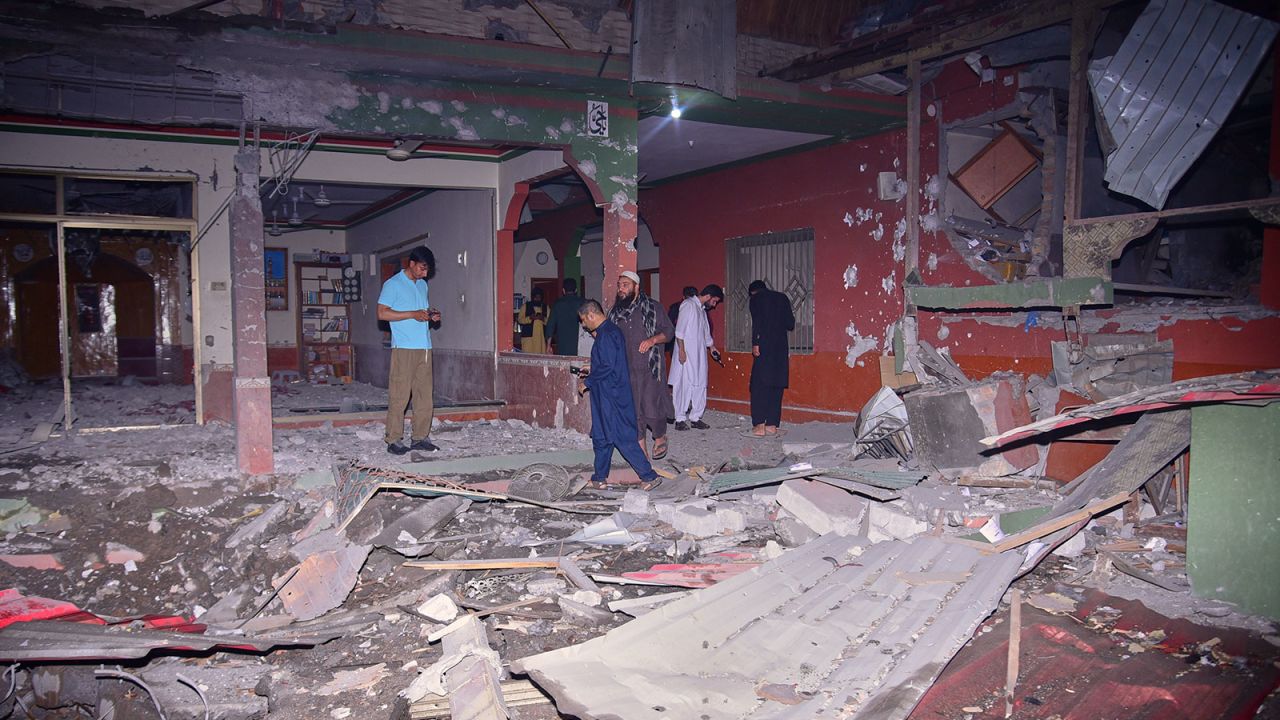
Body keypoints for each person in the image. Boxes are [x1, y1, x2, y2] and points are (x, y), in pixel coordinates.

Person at [576, 299, 662, 491]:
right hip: (606, 394)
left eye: (583, 320)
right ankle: (599, 478)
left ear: (591, 315)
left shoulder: (606, 334)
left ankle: (649, 476)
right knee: (602, 437)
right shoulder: (610, 332)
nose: (583, 325)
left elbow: (607, 366)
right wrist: (592, 367)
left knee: (621, 437)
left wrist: (586, 383)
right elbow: (611, 362)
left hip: (612, 396)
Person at [377, 246, 442, 455]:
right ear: (411, 264)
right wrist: (412, 314)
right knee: (400, 395)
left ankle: (420, 437)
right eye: (422, 269)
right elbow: (383, 314)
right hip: (404, 348)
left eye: (427, 270)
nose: (424, 274)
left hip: (424, 347)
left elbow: (420, 312)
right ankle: (394, 439)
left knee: (425, 396)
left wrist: (430, 316)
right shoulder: (393, 284)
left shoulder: (422, 285)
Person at [609, 271, 675, 460]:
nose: (621, 289)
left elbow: (669, 332)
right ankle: (641, 452)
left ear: (636, 287)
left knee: (651, 407)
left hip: (649, 368)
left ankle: (660, 436)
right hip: (626, 370)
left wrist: (653, 340)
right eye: (619, 285)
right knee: (633, 411)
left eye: (625, 285)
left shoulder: (653, 307)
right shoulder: (615, 313)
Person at [669, 284, 723, 431]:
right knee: (684, 385)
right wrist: (681, 350)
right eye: (714, 301)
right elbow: (679, 331)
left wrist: (711, 347)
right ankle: (680, 419)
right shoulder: (688, 305)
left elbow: (706, 334)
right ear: (708, 296)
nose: (714, 305)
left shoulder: (702, 310)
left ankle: (695, 417)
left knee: (700, 384)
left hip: (699, 355)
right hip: (686, 354)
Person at [746, 279, 796, 437]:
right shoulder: (782, 297)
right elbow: (790, 323)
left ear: (753, 292)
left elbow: (757, 323)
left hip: (764, 347)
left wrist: (755, 343)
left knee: (759, 385)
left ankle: (759, 425)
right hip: (780, 348)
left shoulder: (756, 299)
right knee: (776, 384)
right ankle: (772, 425)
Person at [546, 278, 582, 355]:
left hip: (563, 344)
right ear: (576, 290)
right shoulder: (583, 302)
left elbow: (550, 326)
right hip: (580, 343)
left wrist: (548, 345)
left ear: (563, 290)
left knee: (564, 365)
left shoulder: (557, 304)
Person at [666, 285, 697, 355]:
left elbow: (669, 325)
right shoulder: (676, 308)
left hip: (678, 342)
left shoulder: (699, 308)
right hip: (678, 342)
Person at [517, 287, 549, 354]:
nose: (537, 299)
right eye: (535, 297)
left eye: (539, 297)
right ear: (532, 297)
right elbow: (519, 320)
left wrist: (542, 318)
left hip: (541, 340)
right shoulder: (525, 306)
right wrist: (530, 318)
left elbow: (550, 322)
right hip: (528, 340)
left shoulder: (546, 307)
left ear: (541, 298)